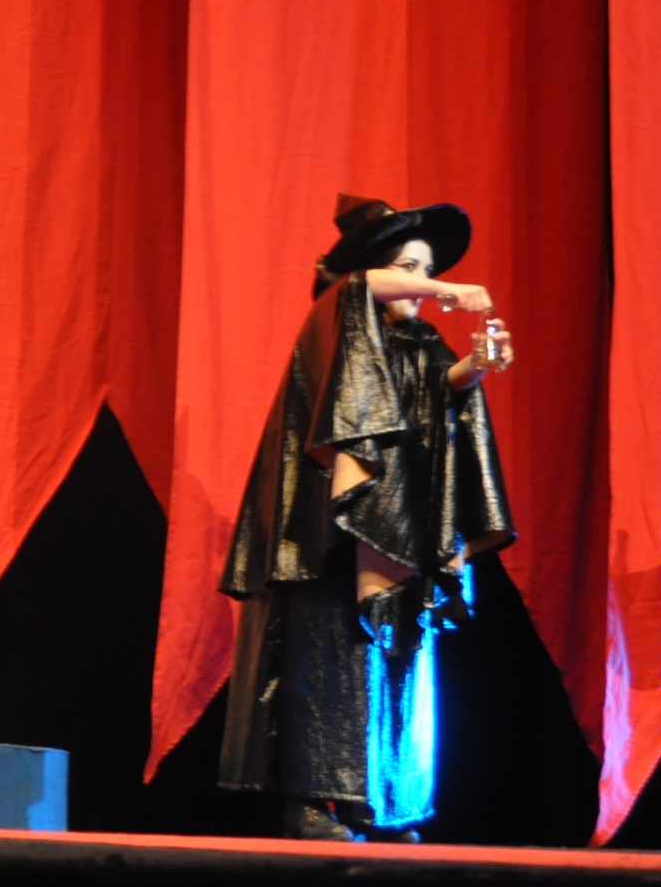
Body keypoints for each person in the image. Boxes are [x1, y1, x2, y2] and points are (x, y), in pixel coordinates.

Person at [219, 196, 518, 841]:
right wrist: (448, 289)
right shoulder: (335, 313)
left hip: (396, 527)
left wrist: (478, 367)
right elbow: (357, 290)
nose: (421, 283)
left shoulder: (420, 342)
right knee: (327, 656)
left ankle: (378, 803)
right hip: (327, 531)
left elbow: (438, 397)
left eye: (427, 270)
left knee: (393, 658)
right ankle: (310, 803)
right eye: (409, 268)